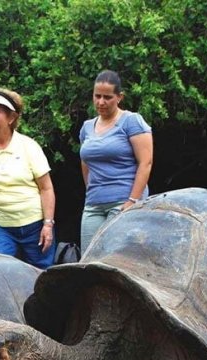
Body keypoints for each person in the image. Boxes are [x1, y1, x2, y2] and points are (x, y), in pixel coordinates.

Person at [0, 89, 56, 269]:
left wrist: (48, 224)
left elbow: (46, 188)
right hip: (0, 227)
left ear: (11, 118)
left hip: (35, 225)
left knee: (43, 275)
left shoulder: (29, 146)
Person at [78, 70, 154, 252]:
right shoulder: (87, 127)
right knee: (89, 258)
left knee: (116, 259)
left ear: (119, 97)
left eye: (107, 97)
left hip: (124, 200)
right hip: (94, 203)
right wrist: (91, 190)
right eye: (97, 96)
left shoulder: (131, 121)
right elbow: (85, 162)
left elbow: (146, 162)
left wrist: (132, 201)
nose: (101, 102)